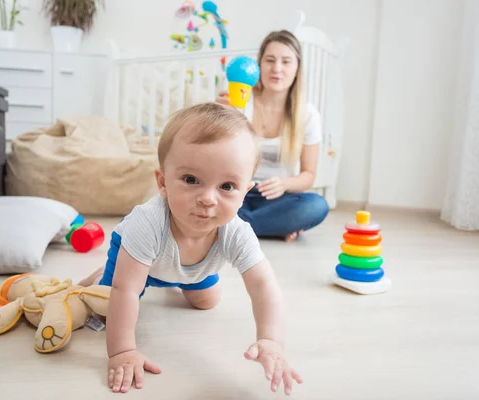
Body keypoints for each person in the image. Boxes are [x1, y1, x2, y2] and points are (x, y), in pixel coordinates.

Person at [79, 103, 302, 395]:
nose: (208, 199)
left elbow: (263, 286)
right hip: (137, 258)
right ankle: (97, 278)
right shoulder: (146, 223)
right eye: (191, 180)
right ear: (163, 182)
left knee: (207, 301)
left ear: (246, 192)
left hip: (188, 269)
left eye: (227, 186)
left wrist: (271, 340)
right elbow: (126, 292)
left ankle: (174, 281)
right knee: (109, 307)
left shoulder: (235, 231)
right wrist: (122, 352)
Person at [217, 30, 329, 242]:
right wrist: (217, 116)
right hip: (237, 191)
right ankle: (266, 226)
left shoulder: (308, 115)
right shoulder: (240, 101)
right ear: (259, 66)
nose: (277, 68)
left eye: (286, 61)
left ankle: (228, 227)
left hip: (275, 198)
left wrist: (284, 183)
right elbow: (217, 155)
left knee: (316, 205)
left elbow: (308, 175)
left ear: (297, 69)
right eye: (270, 60)